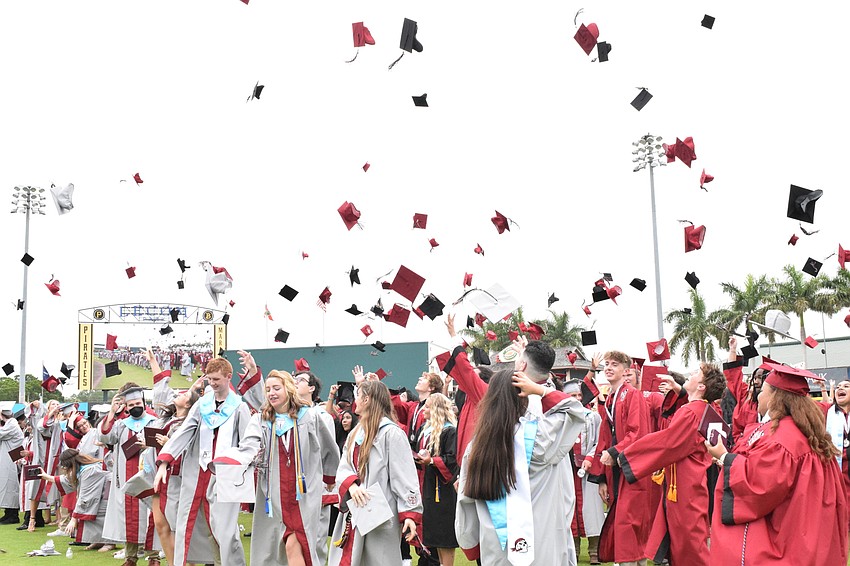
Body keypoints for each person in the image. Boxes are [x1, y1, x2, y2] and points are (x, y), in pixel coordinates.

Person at [706, 363, 848, 564]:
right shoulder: (805, 432)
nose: (759, 396)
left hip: (791, 531)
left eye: (763, 391)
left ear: (775, 397)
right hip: (811, 524)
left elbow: (760, 485)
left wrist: (724, 457)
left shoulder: (782, 438)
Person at [455, 368, 588, 565]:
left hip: (496, 547)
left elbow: (465, 501)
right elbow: (575, 409)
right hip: (540, 544)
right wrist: (539, 390)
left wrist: (471, 544)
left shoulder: (477, 446)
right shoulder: (543, 437)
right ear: (524, 398)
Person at [154, 355, 259, 566]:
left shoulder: (239, 407)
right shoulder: (202, 405)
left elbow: (248, 444)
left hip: (225, 475)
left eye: (216, 379)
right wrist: (164, 462)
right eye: (209, 379)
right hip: (196, 471)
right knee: (184, 525)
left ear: (228, 377)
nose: (211, 383)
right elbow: (184, 432)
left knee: (225, 531)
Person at [617, 363, 726, 565]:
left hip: (686, 486)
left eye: (695, 373)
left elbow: (668, 442)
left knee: (690, 545)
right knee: (682, 543)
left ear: (702, 386)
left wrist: (628, 457)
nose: (690, 375)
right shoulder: (703, 409)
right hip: (683, 482)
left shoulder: (692, 412)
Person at [246, 369, 340, 566]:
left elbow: (330, 449)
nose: (271, 393)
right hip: (274, 496)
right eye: (268, 389)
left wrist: (330, 479)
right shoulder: (262, 420)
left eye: (276, 388)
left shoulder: (310, 417)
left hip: (303, 495)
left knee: (295, 544)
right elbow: (249, 444)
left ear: (288, 389)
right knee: (277, 550)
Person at [328, 380, 423, 566]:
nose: (355, 399)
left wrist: (410, 514)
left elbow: (404, 476)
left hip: (381, 513)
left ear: (367, 399)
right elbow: (344, 466)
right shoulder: (356, 432)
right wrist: (353, 486)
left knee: (380, 560)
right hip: (356, 507)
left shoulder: (391, 434)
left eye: (358, 395)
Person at [581, 351, 653, 566]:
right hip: (616, 471)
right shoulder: (611, 398)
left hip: (633, 470)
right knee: (622, 522)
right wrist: (601, 478)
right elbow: (604, 438)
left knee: (629, 522)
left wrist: (613, 453)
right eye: (607, 364)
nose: (609, 367)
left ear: (626, 370)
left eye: (615, 364)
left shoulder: (632, 394)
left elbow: (637, 432)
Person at [99, 383, 158, 566]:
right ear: (126, 407)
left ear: (144, 402)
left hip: (148, 476)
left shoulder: (154, 422)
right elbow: (105, 438)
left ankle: (154, 557)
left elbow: (163, 445)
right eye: (130, 405)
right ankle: (130, 557)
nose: (134, 407)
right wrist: (111, 413)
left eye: (137, 403)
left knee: (150, 516)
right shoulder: (120, 425)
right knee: (128, 517)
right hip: (125, 477)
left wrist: (149, 446)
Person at [562, 377, 604, 565]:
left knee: (591, 509)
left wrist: (589, 457)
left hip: (588, 470)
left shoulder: (593, 416)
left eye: (580, 395)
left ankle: (594, 550)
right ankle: (574, 549)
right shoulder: (560, 416)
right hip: (567, 471)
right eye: (573, 395)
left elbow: (599, 440)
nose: (578, 398)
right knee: (569, 509)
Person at [415, 393, 459, 566]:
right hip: (428, 488)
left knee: (444, 538)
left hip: (443, 492)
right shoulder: (424, 430)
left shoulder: (449, 431)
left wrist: (432, 461)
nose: (423, 409)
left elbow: (453, 460)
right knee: (434, 539)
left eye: (427, 407)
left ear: (436, 409)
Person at [39, 448, 111, 549]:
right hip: (100, 496)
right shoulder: (83, 469)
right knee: (89, 510)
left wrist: (73, 519)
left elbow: (85, 497)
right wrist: (46, 477)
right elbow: (67, 480)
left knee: (97, 512)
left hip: (107, 496)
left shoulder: (90, 471)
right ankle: (98, 540)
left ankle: (109, 542)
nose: (65, 469)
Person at [724, 337, 767, 442]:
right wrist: (733, 350)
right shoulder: (746, 395)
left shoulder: (778, 406)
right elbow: (733, 376)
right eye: (755, 378)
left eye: (760, 378)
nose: (756, 381)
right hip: (740, 445)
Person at [0, 404, 24, 524]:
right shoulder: (9, 423)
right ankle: (8, 512)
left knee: (10, 485)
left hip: (12, 458)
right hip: (9, 456)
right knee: (6, 485)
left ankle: (13, 514)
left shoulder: (12, 423)